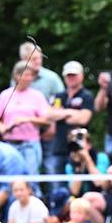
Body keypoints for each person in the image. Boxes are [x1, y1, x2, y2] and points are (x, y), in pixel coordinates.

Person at [0, 60, 50, 185]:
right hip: (10, 144)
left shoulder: (37, 96)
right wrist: (2, 128)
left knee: (31, 181)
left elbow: (46, 121)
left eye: (31, 75)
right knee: (10, 180)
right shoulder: (5, 95)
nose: (29, 78)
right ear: (17, 76)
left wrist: (28, 119)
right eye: (26, 75)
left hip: (30, 144)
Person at [45, 61, 95, 193]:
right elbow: (48, 115)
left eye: (74, 75)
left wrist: (62, 113)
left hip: (78, 148)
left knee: (78, 188)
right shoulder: (58, 96)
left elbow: (83, 119)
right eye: (68, 75)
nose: (71, 78)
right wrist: (72, 113)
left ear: (81, 76)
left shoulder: (86, 96)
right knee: (57, 187)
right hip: (58, 146)